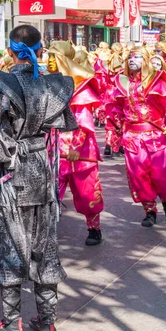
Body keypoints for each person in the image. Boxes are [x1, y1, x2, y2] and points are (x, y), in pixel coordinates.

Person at [0, 25, 76, 331]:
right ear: (40, 50)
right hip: (42, 174)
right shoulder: (51, 86)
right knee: (44, 250)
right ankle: (47, 323)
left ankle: (9, 326)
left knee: (10, 250)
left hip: (11, 178)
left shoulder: (2, 85)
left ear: (9, 50)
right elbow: (60, 127)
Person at [109, 47, 166, 227]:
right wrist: (116, 128)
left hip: (156, 135)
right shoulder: (122, 83)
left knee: (161, 173)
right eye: (130, 57)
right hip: (132, 137)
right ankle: (149, 210)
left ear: (147, 60)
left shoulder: (157, 83)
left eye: (137, 57)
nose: (132, 60)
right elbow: (115, 108)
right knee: (139, 175)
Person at [47, 42, 104, 246]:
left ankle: (94, 228)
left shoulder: (80, 89)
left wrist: (74, 147)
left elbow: (84, 121)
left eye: (54, 57)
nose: (50, 61)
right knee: (51, 192)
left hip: (80, 152)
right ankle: (47, 232)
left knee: (87, 193)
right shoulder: (48, 84)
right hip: (54, 149)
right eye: (49, 56)